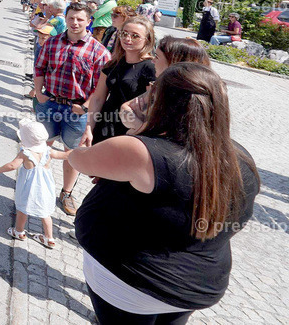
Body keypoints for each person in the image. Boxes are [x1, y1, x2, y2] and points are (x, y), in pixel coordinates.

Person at [70, 63, 259, 324]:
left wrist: (136, 131)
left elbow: (78, 159)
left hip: (132, 281)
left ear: (162, 102)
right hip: (196, 285)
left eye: (153, 92)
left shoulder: (141, 151)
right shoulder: (240, 158)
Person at [33, 1, 111, 216]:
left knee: (73, 153)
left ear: (88, 22)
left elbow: (100, 87)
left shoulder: (100, 52)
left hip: (77, 110)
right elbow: (39, 67)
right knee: (43, 144)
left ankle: (66, 192)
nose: (75, 22)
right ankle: (36, 183)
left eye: (80, 19)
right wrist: (39, 93)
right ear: (65, 18)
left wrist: (86, 107)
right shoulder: (53, 42)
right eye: (71, 18)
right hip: (50, 102)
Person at [0, 119, 69, 248]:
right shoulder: (49, 151)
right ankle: (49, 238)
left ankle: (19, 231)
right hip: (45, 187)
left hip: (28, 187)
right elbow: (65, 155)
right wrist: (79, 152)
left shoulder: (25, 153)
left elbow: (12, 165)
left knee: (23, 209)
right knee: (45, 213)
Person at [83, 15, 156, 144]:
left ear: (147, 40)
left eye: (135, 36)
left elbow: (152, 106)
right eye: (124, 33)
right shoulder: (113, 64)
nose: (128, 39)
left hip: (130, 129)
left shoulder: (151, 67)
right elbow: (98, 98)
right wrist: (89, 127)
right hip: (104, 124)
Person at [119, 36, 211, 134]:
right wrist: (141, 128)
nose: (152, 60)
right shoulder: (159, 86)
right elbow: (125, 108)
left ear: (174, 62)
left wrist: (137, 130)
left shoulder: (189, 98)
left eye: (157, 57)